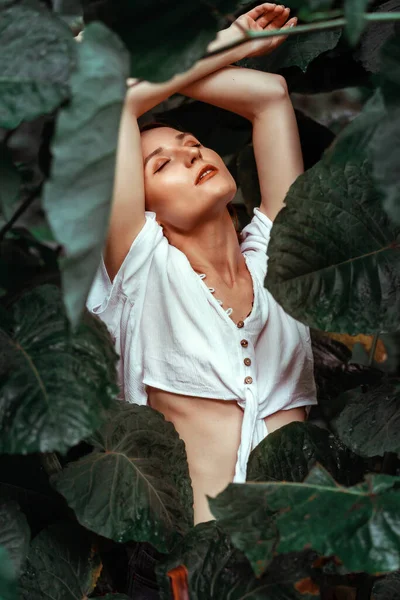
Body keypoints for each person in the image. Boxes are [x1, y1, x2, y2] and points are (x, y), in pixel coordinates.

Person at [87, 4, 317, 597]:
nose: (191, 154)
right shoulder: (141, 270)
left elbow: (269, 94)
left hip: (299, 568)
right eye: (161, 163)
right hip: (188, 576)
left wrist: (222, 55)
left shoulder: (284, 261)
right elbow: (111, 102)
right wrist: (227, 41)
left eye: (192, 143)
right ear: (138, 202)